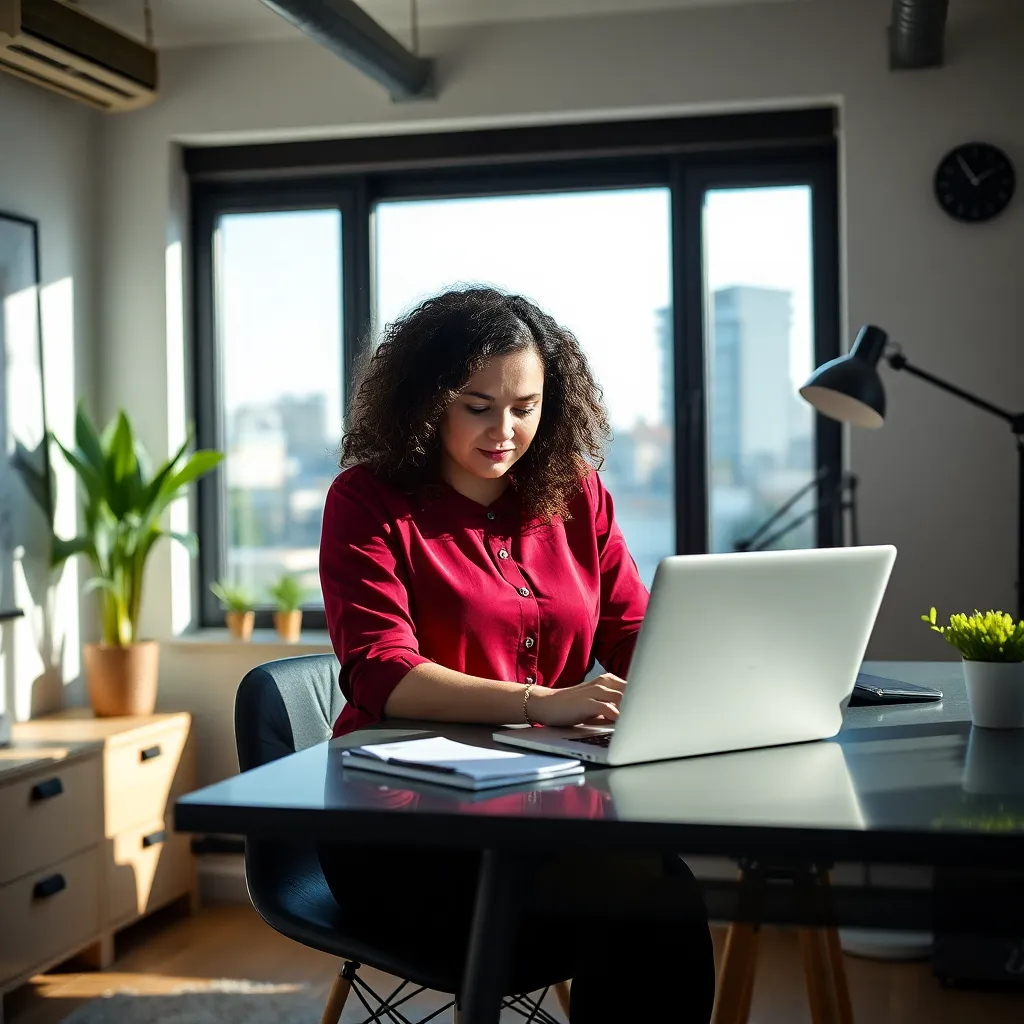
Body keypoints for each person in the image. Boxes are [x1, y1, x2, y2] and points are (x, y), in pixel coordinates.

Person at [317, 286, 715, 1022]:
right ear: (427, 399)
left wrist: (718, 682)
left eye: (525, 406)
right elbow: (383, 672)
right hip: (398, 831)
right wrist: (540, 703)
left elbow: (636, 636)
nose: (505, 430)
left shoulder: (576, 496)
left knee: (659, 888)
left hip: (547, 814)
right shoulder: (367, 500)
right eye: (478, 405)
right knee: (647, 893)